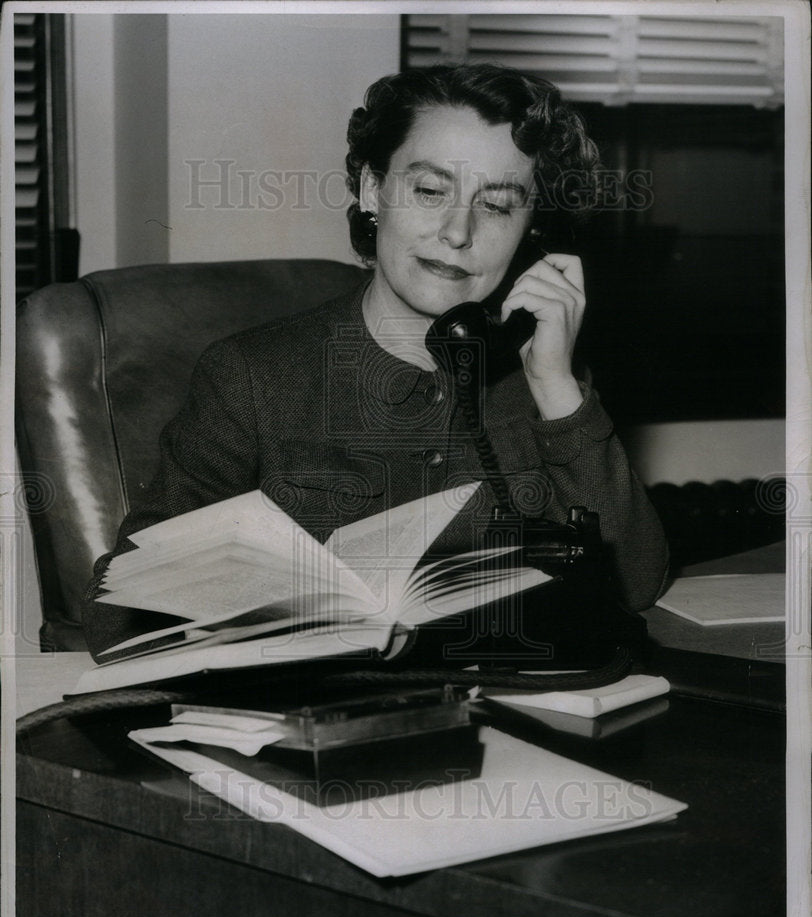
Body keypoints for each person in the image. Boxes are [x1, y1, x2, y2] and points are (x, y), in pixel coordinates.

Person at [82, 63, 668, 660]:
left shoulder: (544, 376)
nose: (458, 232)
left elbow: (636, 585)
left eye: (496, 206)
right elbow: (122, 604)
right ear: (371, 190)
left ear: (531, 230)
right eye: (430, 191)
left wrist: (555, 386)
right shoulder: (253, 377)